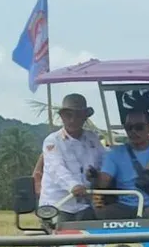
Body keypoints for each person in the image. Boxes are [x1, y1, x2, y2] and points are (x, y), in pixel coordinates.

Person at [94, 109, 149, 218]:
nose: (133, 131)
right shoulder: (115, 154)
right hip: (124, 206)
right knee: (102, 215)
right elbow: (104, 182)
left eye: (139, 127)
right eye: (129, 128)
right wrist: (95, 176)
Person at [39, 93, 108, 223]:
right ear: (62, 117)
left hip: (86, 205)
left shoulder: (93, 139)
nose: (72, 120)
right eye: (68, 115)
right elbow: (56, 169)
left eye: (78, 116)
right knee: (58, 238)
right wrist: (74, 186)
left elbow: (104, 162)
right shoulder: (52, 141)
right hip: (58, 204)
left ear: (84, 118)